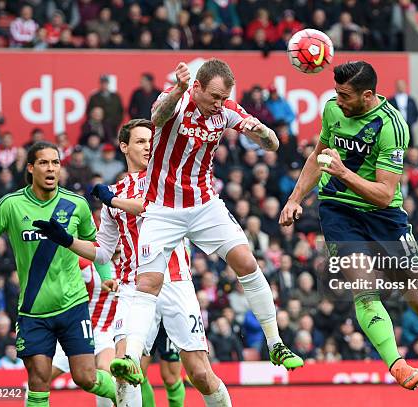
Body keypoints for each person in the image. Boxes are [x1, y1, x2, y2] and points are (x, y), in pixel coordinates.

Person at [278, 61, 418, 403]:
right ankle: (396, 363)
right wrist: (295, 198)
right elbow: (316, 156)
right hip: (338, 210)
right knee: (363, 287)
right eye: (336, 93)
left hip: (384, 216)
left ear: (367, 95)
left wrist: (341, 172)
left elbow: (385, 194)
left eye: (345, 95)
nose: (337, 100)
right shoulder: (331, 109)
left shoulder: (392, 126)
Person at [99, 60, 301, 395]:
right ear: (196, 88)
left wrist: (260, 132)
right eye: (214, 96)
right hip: (162, 208)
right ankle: (131, 356)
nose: (219, 104)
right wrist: (177, 89)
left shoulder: (226, 111)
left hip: (204, 204)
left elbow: (272, 145)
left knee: (247, 262)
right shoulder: (176, 100)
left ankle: (276, 343)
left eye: (225, 98)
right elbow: (157, 116)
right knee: (147, 281)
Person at [34, 119, 214, 407]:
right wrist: (66, 239)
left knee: (200, 374)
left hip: (175, 282)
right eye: (141, 141)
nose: (148, 146)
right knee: (124, 370)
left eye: (151, 141)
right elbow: (104, 251)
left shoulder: (168, 179)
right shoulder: (114, 193)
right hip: (133, 287)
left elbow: (151, 207)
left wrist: (114, 200)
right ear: (124, 146)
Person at [0, 142, 116, 407]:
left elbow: (96, 246)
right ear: (31, 168)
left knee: (85, 377)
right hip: (33, 310)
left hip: (73, 306)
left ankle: (120, 392)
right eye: (44, 163)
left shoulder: (76, 204)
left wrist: (106, 275)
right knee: (38, 380)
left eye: (55, 162)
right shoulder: (10, 205)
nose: (51, 168)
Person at [51, 258, 117, 407]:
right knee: (40, 377)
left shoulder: (129, 264)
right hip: (75, 330)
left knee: (106, 371)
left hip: (104, 332)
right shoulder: (86, 263)